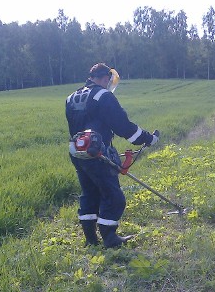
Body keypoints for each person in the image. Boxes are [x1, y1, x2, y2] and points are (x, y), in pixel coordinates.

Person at [65, 63, 160, 248]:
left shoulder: (71, 98)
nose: (109, 84)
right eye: (109, 80)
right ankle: (110, 238)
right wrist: (149, 139)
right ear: (106, 78)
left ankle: (91, 239)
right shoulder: (103, 96)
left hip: (77, 153)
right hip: (97, 154)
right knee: (113, 196)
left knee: (89, 193)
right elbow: (124, 127)